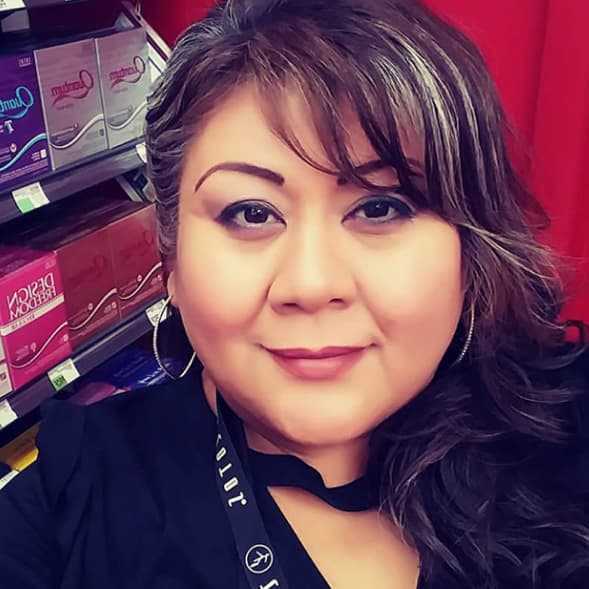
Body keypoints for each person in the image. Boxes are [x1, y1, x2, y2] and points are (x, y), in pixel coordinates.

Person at [1, 0, 588, 587]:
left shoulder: (567, 428)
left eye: (379, 208)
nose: (311, 285)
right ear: (171, 258)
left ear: (469, 246)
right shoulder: (70, 502)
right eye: (252, 213)